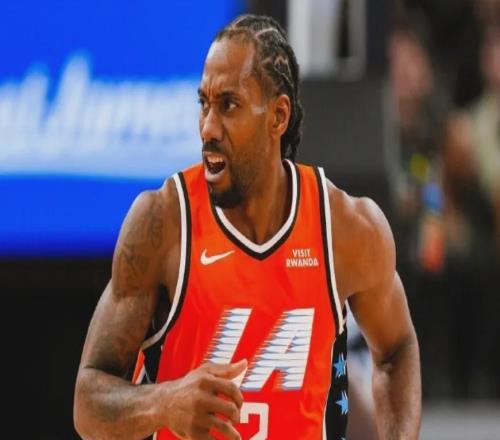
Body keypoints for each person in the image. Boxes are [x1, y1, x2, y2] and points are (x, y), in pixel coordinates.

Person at [74, 14, 421, 439]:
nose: (208, 127)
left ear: (278, 116)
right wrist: (163, 402)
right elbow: (87, 402)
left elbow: (397, 350)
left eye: (228, 105)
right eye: (204, 103)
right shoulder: (163, 222)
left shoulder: (345, 227)